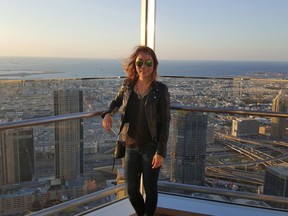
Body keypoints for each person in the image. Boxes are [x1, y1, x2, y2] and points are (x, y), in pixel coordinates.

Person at [102, 45, 170, 216]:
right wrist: (108, 114)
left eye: (149, 63)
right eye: (140, 62)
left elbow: (165, 123)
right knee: (131, 189)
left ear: (154, 65)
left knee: (150, 188)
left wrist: (161, 152)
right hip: (131, 144)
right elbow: (115, 102)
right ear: (135, 63)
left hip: (151, 147)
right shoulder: (127, 85)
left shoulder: (160, 90)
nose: (144, 67)